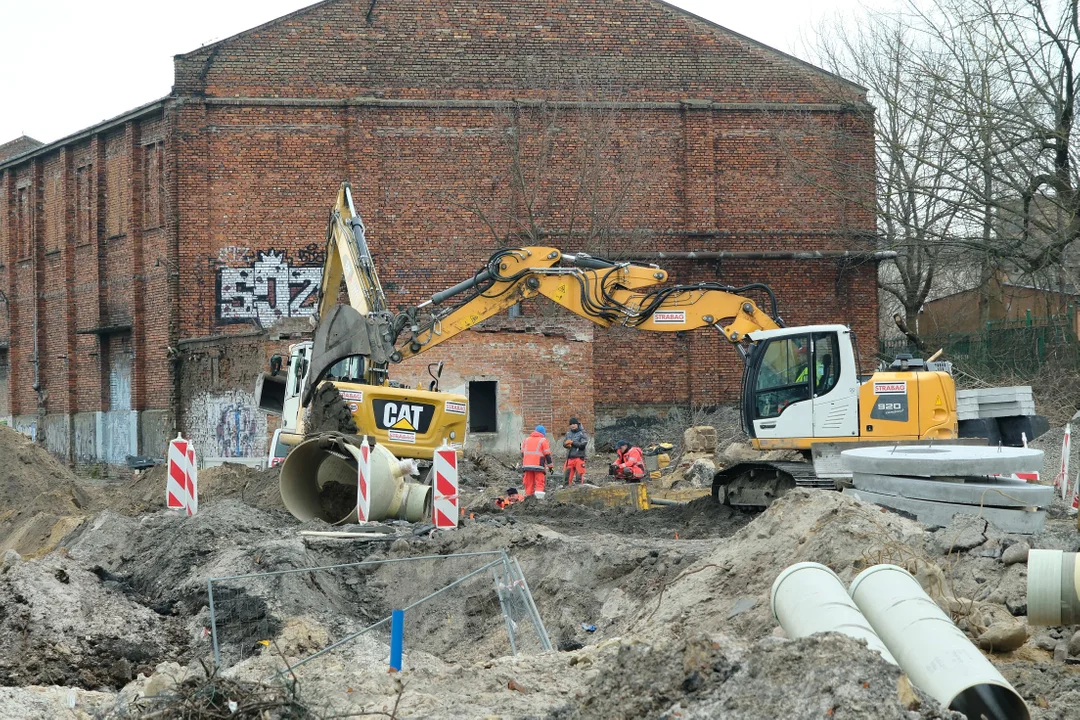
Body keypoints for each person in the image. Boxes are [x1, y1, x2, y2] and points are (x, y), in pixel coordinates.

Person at [521, 425, 553, 497]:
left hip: (527, 466)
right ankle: (539, 501)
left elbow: (522, 453)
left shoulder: (526, 440)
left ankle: (528, 499)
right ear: (543, 433)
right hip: (539, 466)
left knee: (528, 483)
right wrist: (550, 467)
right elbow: (547, 455)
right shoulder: (543, 440)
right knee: (539, 483)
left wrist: (526, 462)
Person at [562, 417, 588, 485]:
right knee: (566, 479)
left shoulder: (582, 433)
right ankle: (566, 492)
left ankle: (580, 493)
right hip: (570, 457)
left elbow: (583, 445)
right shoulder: (568, 433)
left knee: (579, 478)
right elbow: (564, 443)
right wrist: (565, 444)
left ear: (577, 424)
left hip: (579, 457)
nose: (572, 425)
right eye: (571, 424)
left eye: (574, 424)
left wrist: (572, 442)